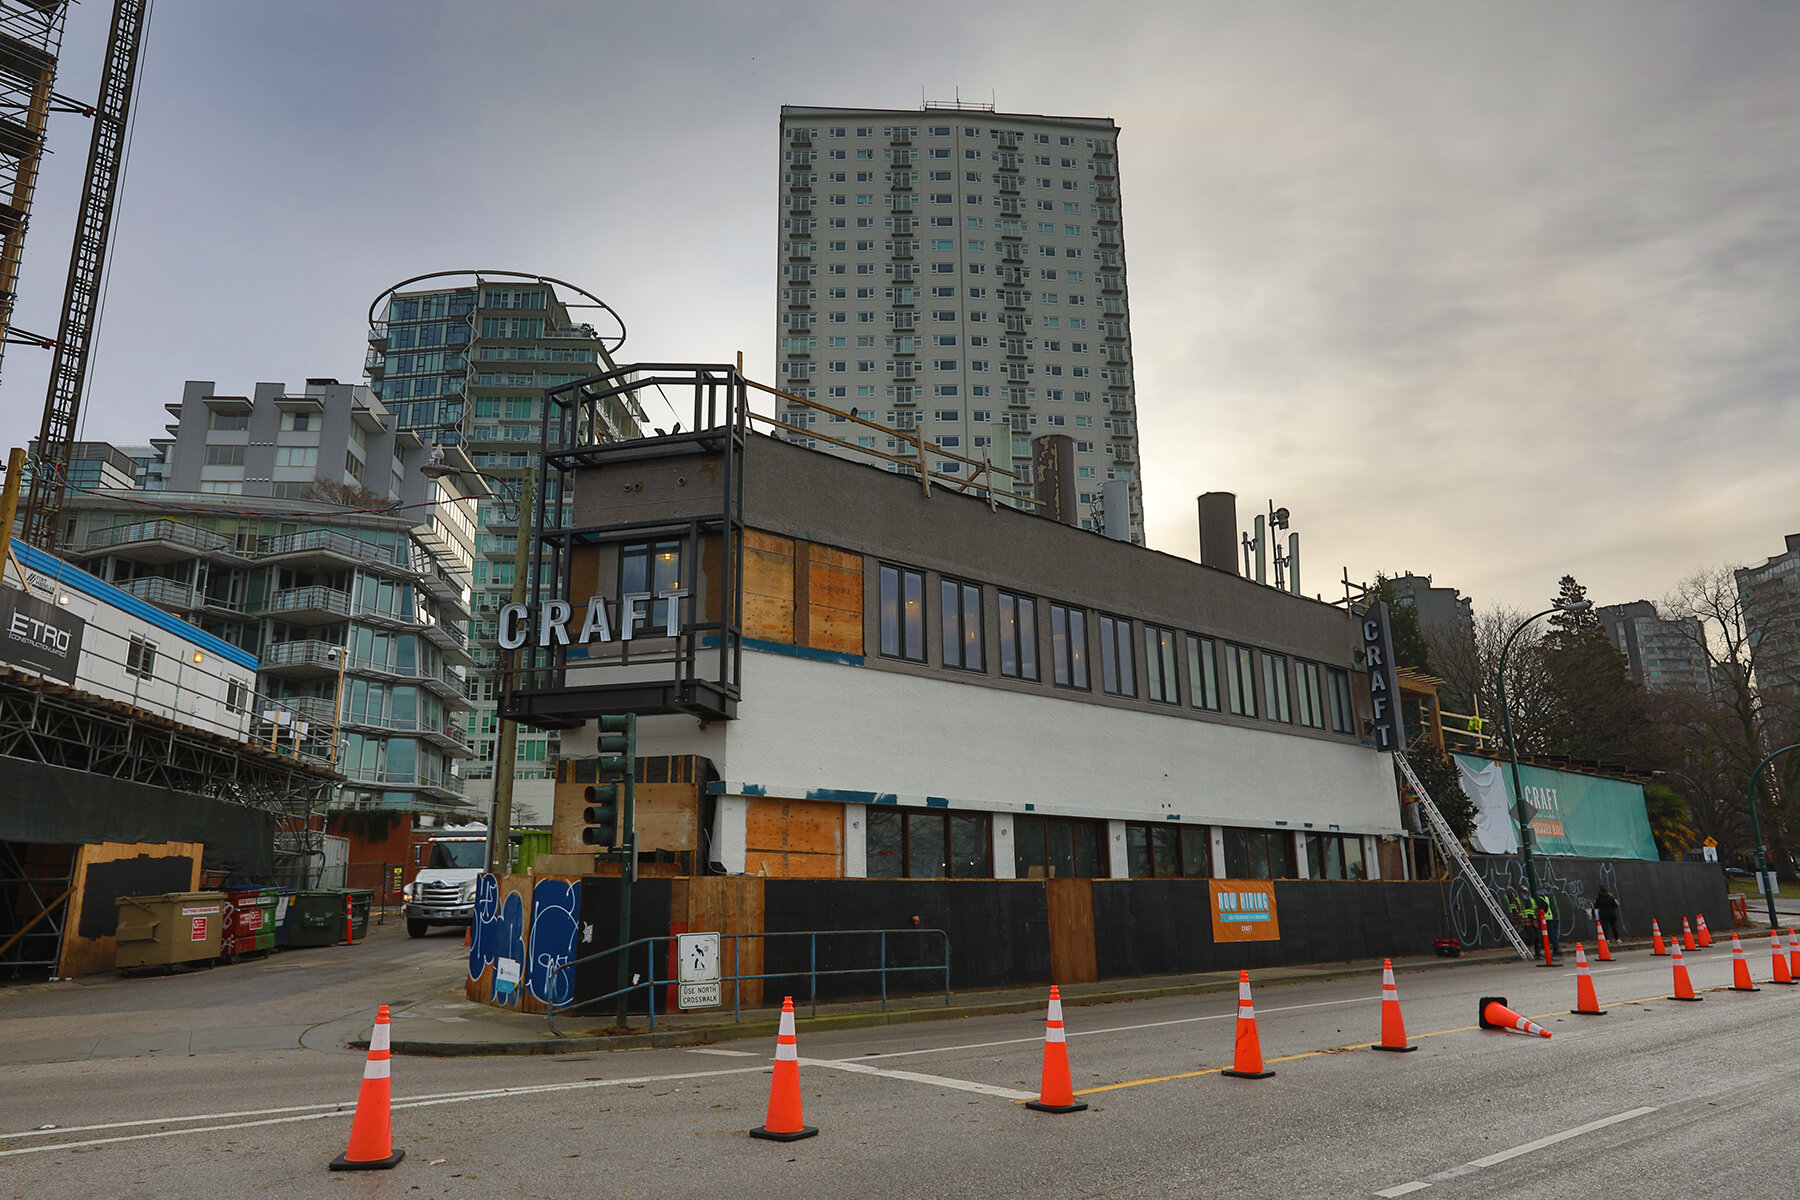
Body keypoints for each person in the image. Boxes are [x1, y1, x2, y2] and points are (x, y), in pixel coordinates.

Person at [1537, 891, 1561, 957]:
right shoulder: (1552, 897)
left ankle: (1557, 952)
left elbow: (1543, 909)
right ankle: (1557, 951)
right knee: (1554, 936)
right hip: (1555, 918)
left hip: (1549, 919)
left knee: (1552, 936)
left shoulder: (1542, 899)